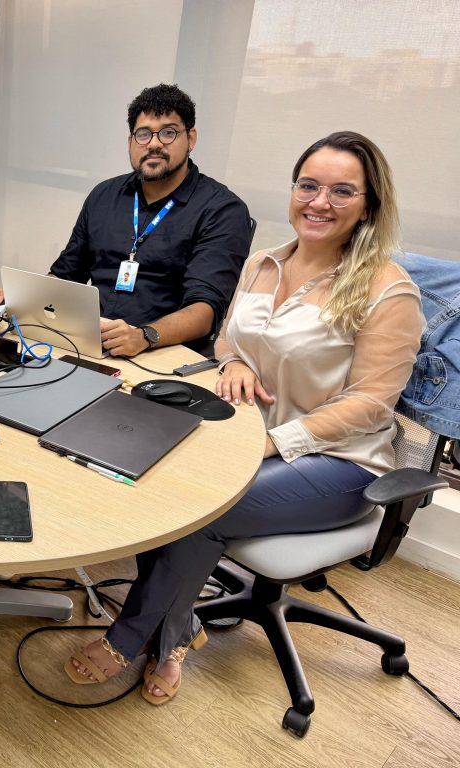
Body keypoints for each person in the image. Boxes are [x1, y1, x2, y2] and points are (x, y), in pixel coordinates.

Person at [63, 131, 422, 705]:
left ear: (369, 205)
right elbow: (228, 340)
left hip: (339, 461)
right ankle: (179, 626)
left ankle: (136, 637)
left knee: (199, 510)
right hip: (246, 437)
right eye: (308, 186)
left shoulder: (388, 290)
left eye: (341, 191)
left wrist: (276, 441)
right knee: (154, 476)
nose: (319, 202)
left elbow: (371, 404)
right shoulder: (264, 263)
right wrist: (231, 364)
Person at [0, 84, 252, 357]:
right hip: (91, 343)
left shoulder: (222, 210)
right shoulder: (104, 195)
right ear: (130, 142)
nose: (154, 144)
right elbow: (67, 274)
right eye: (143, 134)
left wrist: (144, 336)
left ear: (191, 139)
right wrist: (23, 298)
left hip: (162, 353)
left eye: (168, 133)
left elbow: (205, 311)